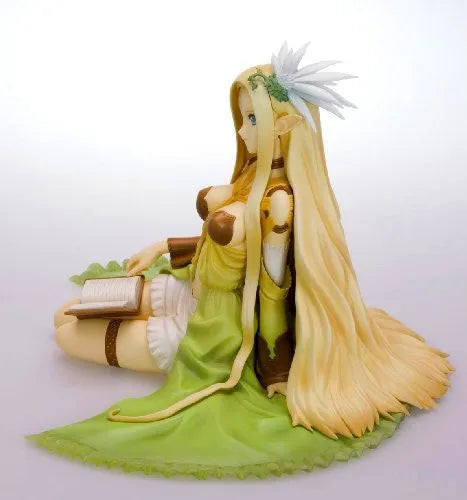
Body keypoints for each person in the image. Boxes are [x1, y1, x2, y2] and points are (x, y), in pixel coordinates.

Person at [28, 43, 453, 478]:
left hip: (217, 335)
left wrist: (275, 368)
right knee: (68, 312)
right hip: (195, 291)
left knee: (68, 335)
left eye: (253, 119)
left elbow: (273, 291)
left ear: (284, 126)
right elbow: (217, 244)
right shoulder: (253, 176)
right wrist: (164, 246)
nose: (242, 130)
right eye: (243, 117)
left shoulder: (279, 203)